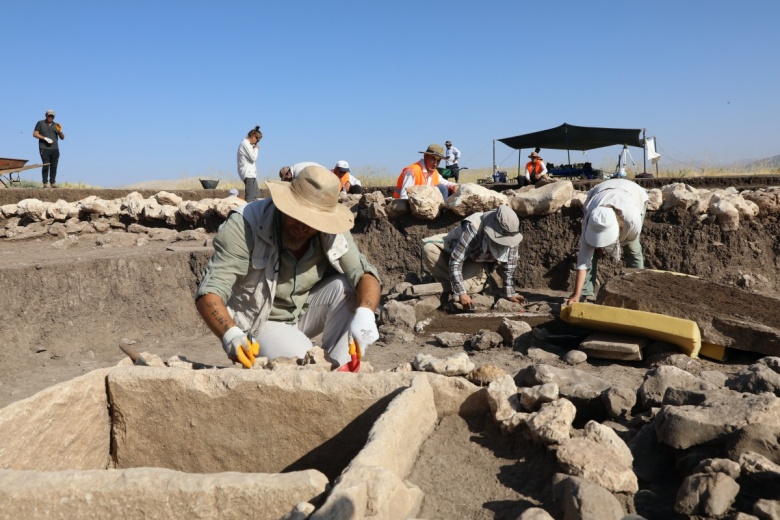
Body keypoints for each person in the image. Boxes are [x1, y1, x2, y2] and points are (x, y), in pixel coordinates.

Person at [195, 164, 381, 369]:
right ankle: (324, 373)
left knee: (347, 288)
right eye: (299, 215)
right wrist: (230, 335)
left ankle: (343, 371)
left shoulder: (330, 228)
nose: (303, 226)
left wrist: (366, 314)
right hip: (258, 322)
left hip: (301, 314)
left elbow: (364, 274)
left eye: (313, 221)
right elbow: (209, 292)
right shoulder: (246, 224)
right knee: (305, 362)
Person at [422, 204, 526, 311]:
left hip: (474, 262)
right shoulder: (474, 227)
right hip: (455, 254)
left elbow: (510, 264)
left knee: (462, 290)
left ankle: (460, 285)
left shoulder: (512, 233)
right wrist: (462, 292)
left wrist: (509, 292)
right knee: (429, 249)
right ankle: (460, 286)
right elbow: (456, 260)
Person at [564, 178, 649, 306]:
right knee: (590, 253)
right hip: (600, 192)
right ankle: (583, 293)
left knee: (632, 250)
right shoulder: (589, 222)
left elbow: (626, 241)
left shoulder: (632, 220)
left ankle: (637, 294)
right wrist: (576, 294)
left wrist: (610, 246)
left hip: (633, 193)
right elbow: (583, 262)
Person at [393, 144, 458, 201]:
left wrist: (455, 186)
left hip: (424, 203)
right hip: (404, 207)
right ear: (425, 156)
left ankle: (441, 213)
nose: (435, 164)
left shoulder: (434, 172)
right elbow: (404, 196)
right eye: (433, 159)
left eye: (438, 161)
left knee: (443, 188)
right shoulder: (412, 171)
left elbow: (446, 183)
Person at [32, 109, 65, 188]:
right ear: (46, 115)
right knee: (46, 165)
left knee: (54, 166)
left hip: (55, 148)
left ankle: (53, 183)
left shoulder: (56, 125)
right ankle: (45, 183)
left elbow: (62, 138)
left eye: (52, 116)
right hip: (44, 148)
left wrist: (60, 131)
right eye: (49, 115)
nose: (50, 117)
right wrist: (45, 138)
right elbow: (35, 134)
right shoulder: (40, 123)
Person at [237, 126, 262, 202]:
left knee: (256, 195)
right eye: (257, 140)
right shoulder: (245, 144)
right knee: (250, 197)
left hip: (251, 173)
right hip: (248, 173)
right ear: (253, 137)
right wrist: (256, 149)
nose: (256, 142)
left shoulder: (247, 145)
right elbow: (253, 158)